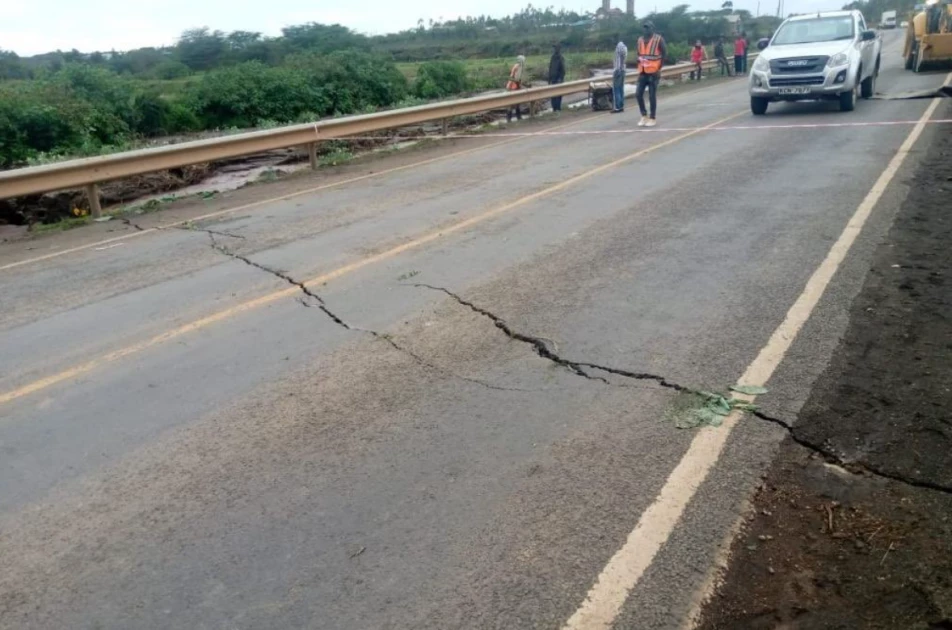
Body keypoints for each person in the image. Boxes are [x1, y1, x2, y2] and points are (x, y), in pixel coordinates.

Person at [636, 21, 666, 127]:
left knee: (652, 96)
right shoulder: (640, 40)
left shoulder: (659, 39)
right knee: (638, 94)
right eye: (644, 28)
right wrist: (639, 62)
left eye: (648, 28)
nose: (646, 30)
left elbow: (664, 54)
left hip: (653, 72)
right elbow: (638, 54)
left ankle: (652, 117)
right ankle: (644, 115)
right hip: (643, 72)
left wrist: (659, 68)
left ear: (652, 29)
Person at [506, 55, 526, 123]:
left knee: (515, 102)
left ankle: (513, 117)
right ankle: (512, 117)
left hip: (512, 86)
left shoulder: (516, 65)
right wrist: (521, 86)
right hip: (514, 86)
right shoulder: (519, 67)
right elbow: (517, 79)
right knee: (513, 103)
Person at [612, 36, 628, 113]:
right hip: (623, 70)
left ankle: (618, 107)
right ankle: (621, 106)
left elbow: (620, 59)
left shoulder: (619, 47)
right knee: (621, 88)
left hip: (618, 70)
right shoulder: (624, 47)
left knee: (616, 89)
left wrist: (618, 69)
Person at [548, 43, 566, 112]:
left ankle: (558, 108)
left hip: (558, 80)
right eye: (554, 48)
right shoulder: (552, 57)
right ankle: (554, 109)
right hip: (552, 79)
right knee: (553, 95)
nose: (555, 49)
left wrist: (560, 79)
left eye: (556, 48)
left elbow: (563, 70)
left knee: (558, 95)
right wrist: (549, 79)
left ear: (559, 49)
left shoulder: (561, 58)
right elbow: (550, 68)